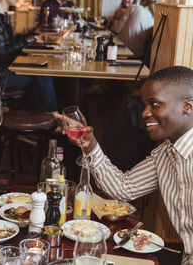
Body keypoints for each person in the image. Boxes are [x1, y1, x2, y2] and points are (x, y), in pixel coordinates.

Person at [55, 66, 193, 264]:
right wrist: (91, 144)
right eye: (144, 105)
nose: (145, 113)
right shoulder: (165, 153)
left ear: (187, 106)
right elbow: (123, 188)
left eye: (154, 104)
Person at [0, 0, 58, 113]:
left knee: (40, 71)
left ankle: (37, 115)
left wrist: (32, 37)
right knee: (42, 75)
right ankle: (52, 116)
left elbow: (7, 43)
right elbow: (1, 55)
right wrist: (27, 40)